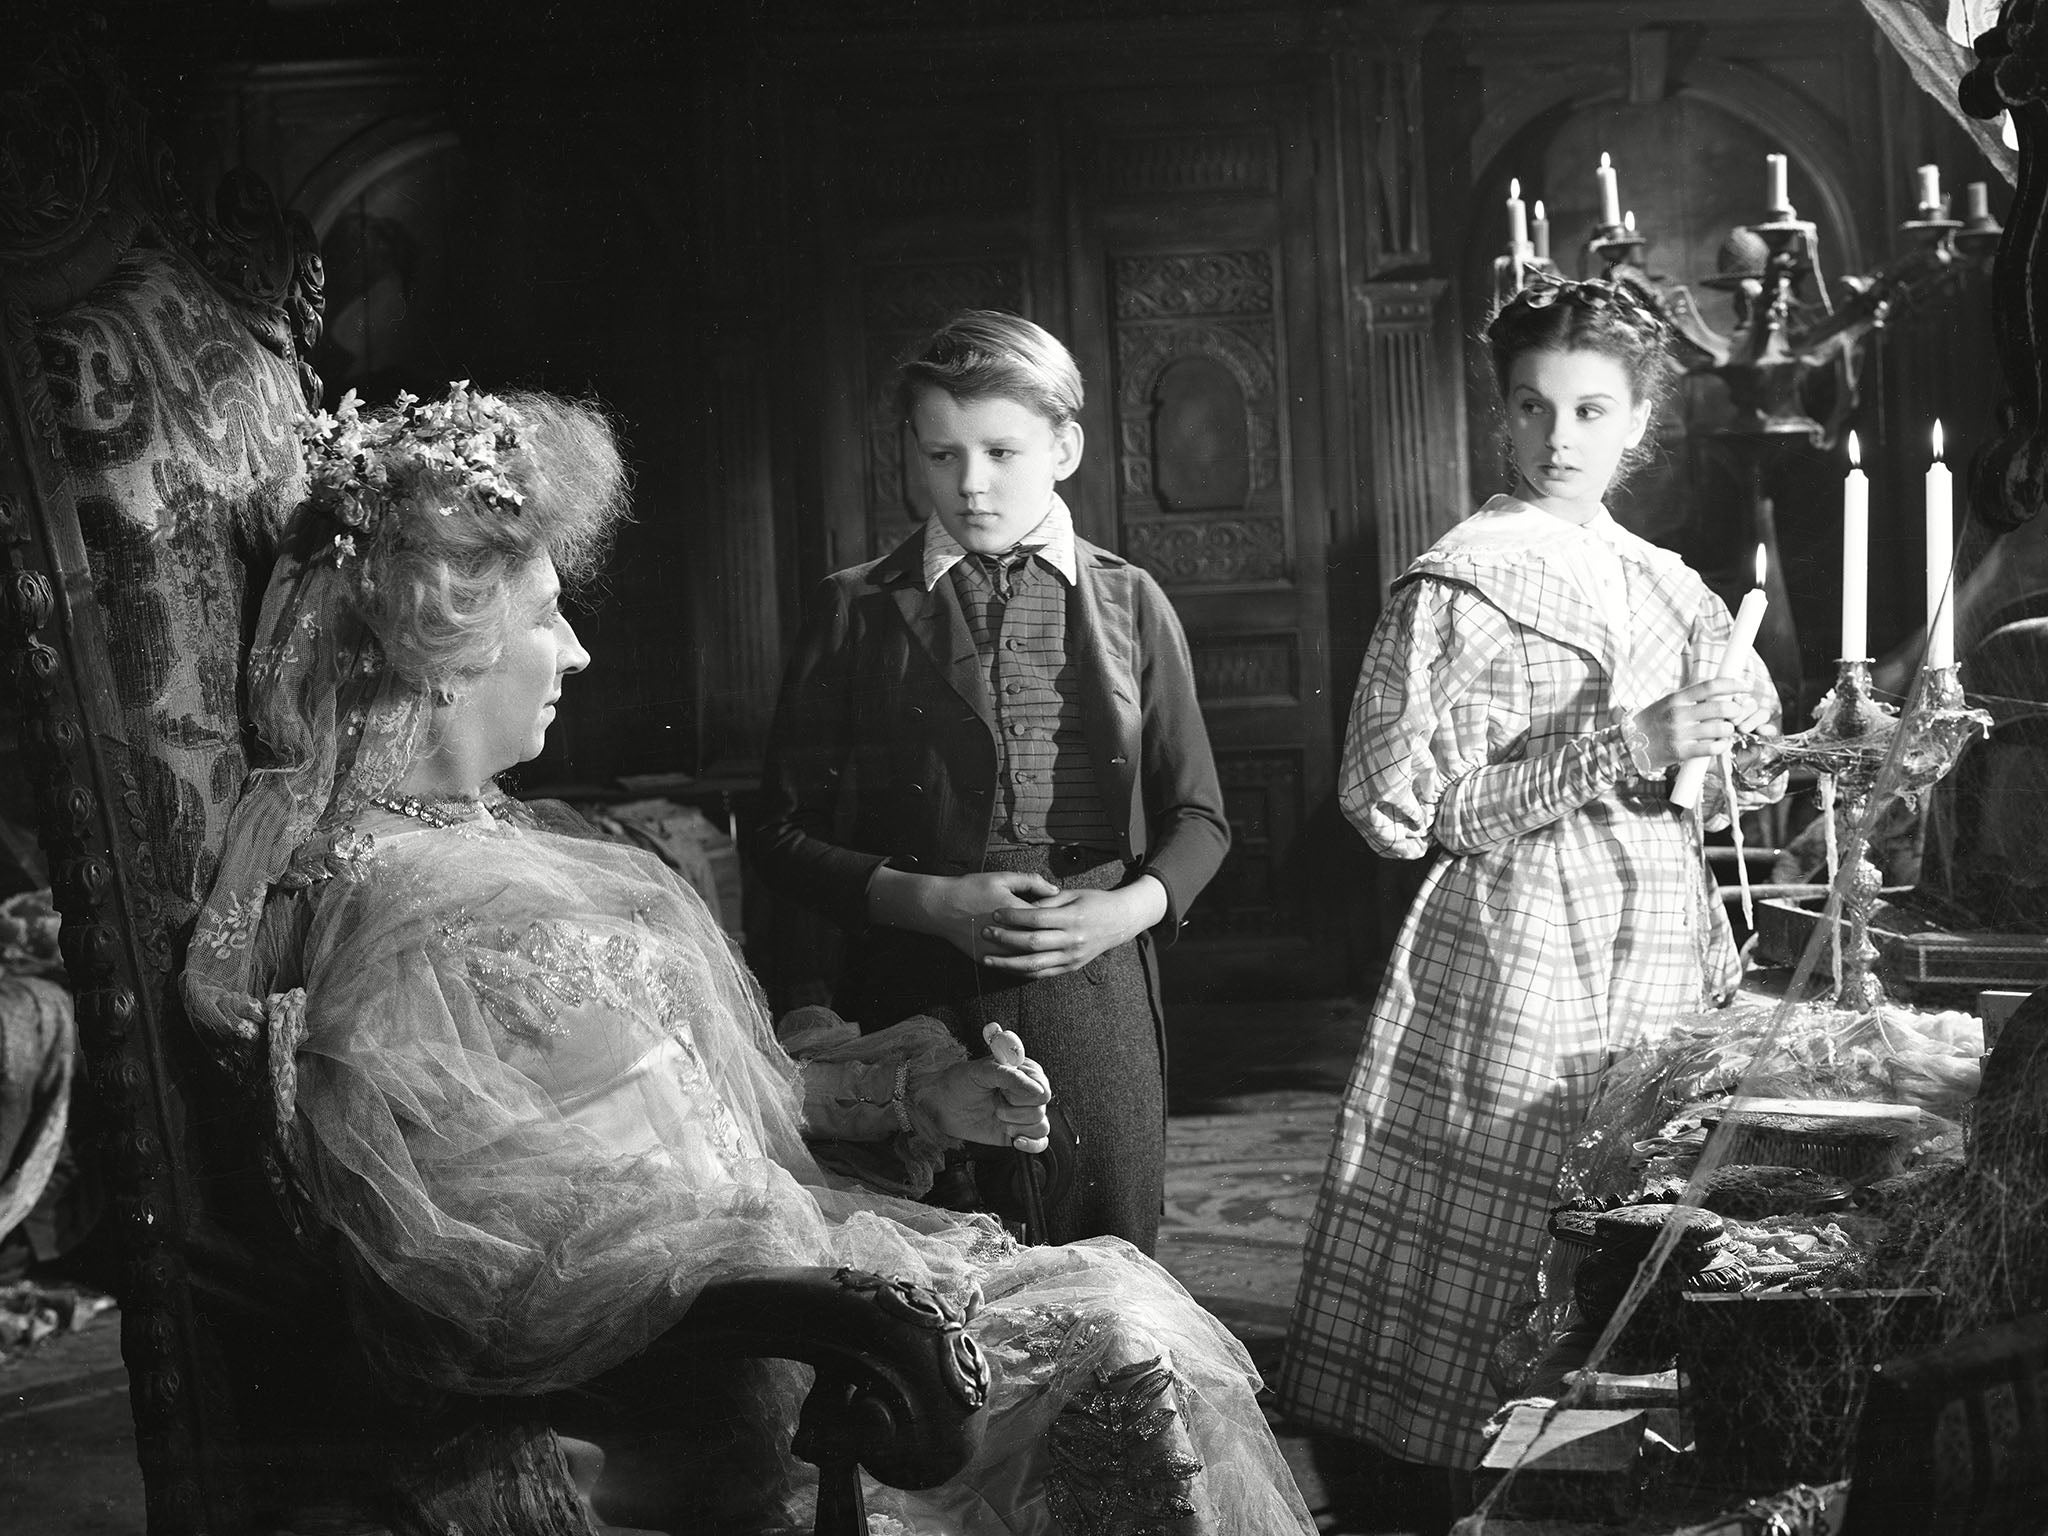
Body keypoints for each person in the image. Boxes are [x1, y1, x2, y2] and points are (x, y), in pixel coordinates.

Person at [181, 383, 1311, 1535]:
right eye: (547, 614)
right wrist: (822, 1271)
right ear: (447, 647)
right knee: (1122, 1329)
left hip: (784, 1271)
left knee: (1127, 1309)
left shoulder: (478, 846)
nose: (575, 649)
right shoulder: (425, 909)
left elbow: (697, 1105)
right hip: (725, 1355)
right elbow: (546, 1241)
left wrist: (918, 1095)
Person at [1277, 280, 1782, 1479]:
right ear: (1499, 416)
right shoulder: (1461, 579)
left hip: (1659, 926)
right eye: (1532, 406)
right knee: (1519, 1196)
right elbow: (1404, 811)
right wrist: (1627, 744)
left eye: (1591, 410)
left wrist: (1715, 753)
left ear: (1636, 420)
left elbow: (1736, 780)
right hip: (1517, 933)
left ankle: (1618, 1456)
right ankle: (1467, 1464)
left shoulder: (1670, 584)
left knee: (1650, 1200)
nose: (1560, 440)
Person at [750, 311, 1229, 1253]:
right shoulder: (854, 608)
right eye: (940, 456)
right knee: (940, 1266)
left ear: (1065, 447)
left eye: (1001, 452)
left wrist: (1121, 913)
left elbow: (1201, 818)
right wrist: (922, 900)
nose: (969, 485)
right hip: (914, 976)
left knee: (1106, 1249)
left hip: (1091, 980)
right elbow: (777, 832)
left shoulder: (1132, 602)